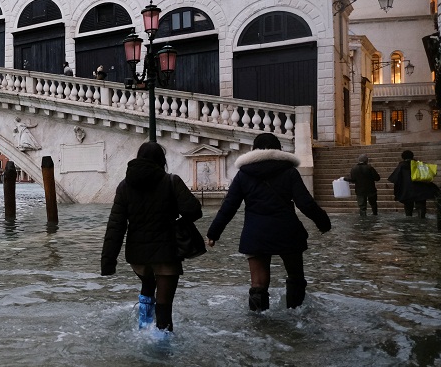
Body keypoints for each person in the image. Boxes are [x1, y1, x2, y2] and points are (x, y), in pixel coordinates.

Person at [205, 133, 330, 311]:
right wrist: (323, 222)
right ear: (278, 149)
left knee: (258, 284)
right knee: (295, 276)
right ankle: (296, 317)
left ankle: (259, 325)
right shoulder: (289, 172)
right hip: (288, 231)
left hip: (256, 233)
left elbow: (228, 207)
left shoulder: (243, 174)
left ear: (254, 150)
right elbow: (305, 203)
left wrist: (213, 233)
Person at [100, 142, 202, 333]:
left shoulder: (124, 186)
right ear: (161, 161)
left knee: (147, 285)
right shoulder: (171, 181)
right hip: (166, 253)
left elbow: (115, 226)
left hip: (137, 256)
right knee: (164, 304)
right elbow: (195, 211)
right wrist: (175, 219)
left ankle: (143, 328)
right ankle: (162, 348)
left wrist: (108, 262)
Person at [388, 150, 439, 218]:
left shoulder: (401, 166)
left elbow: (395, 178)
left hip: (407, 190)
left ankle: (409, 220)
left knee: (408, 207)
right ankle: (422, 219)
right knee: (421, 205)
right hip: (420, 189)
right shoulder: (418, 164)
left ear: (403, 157)